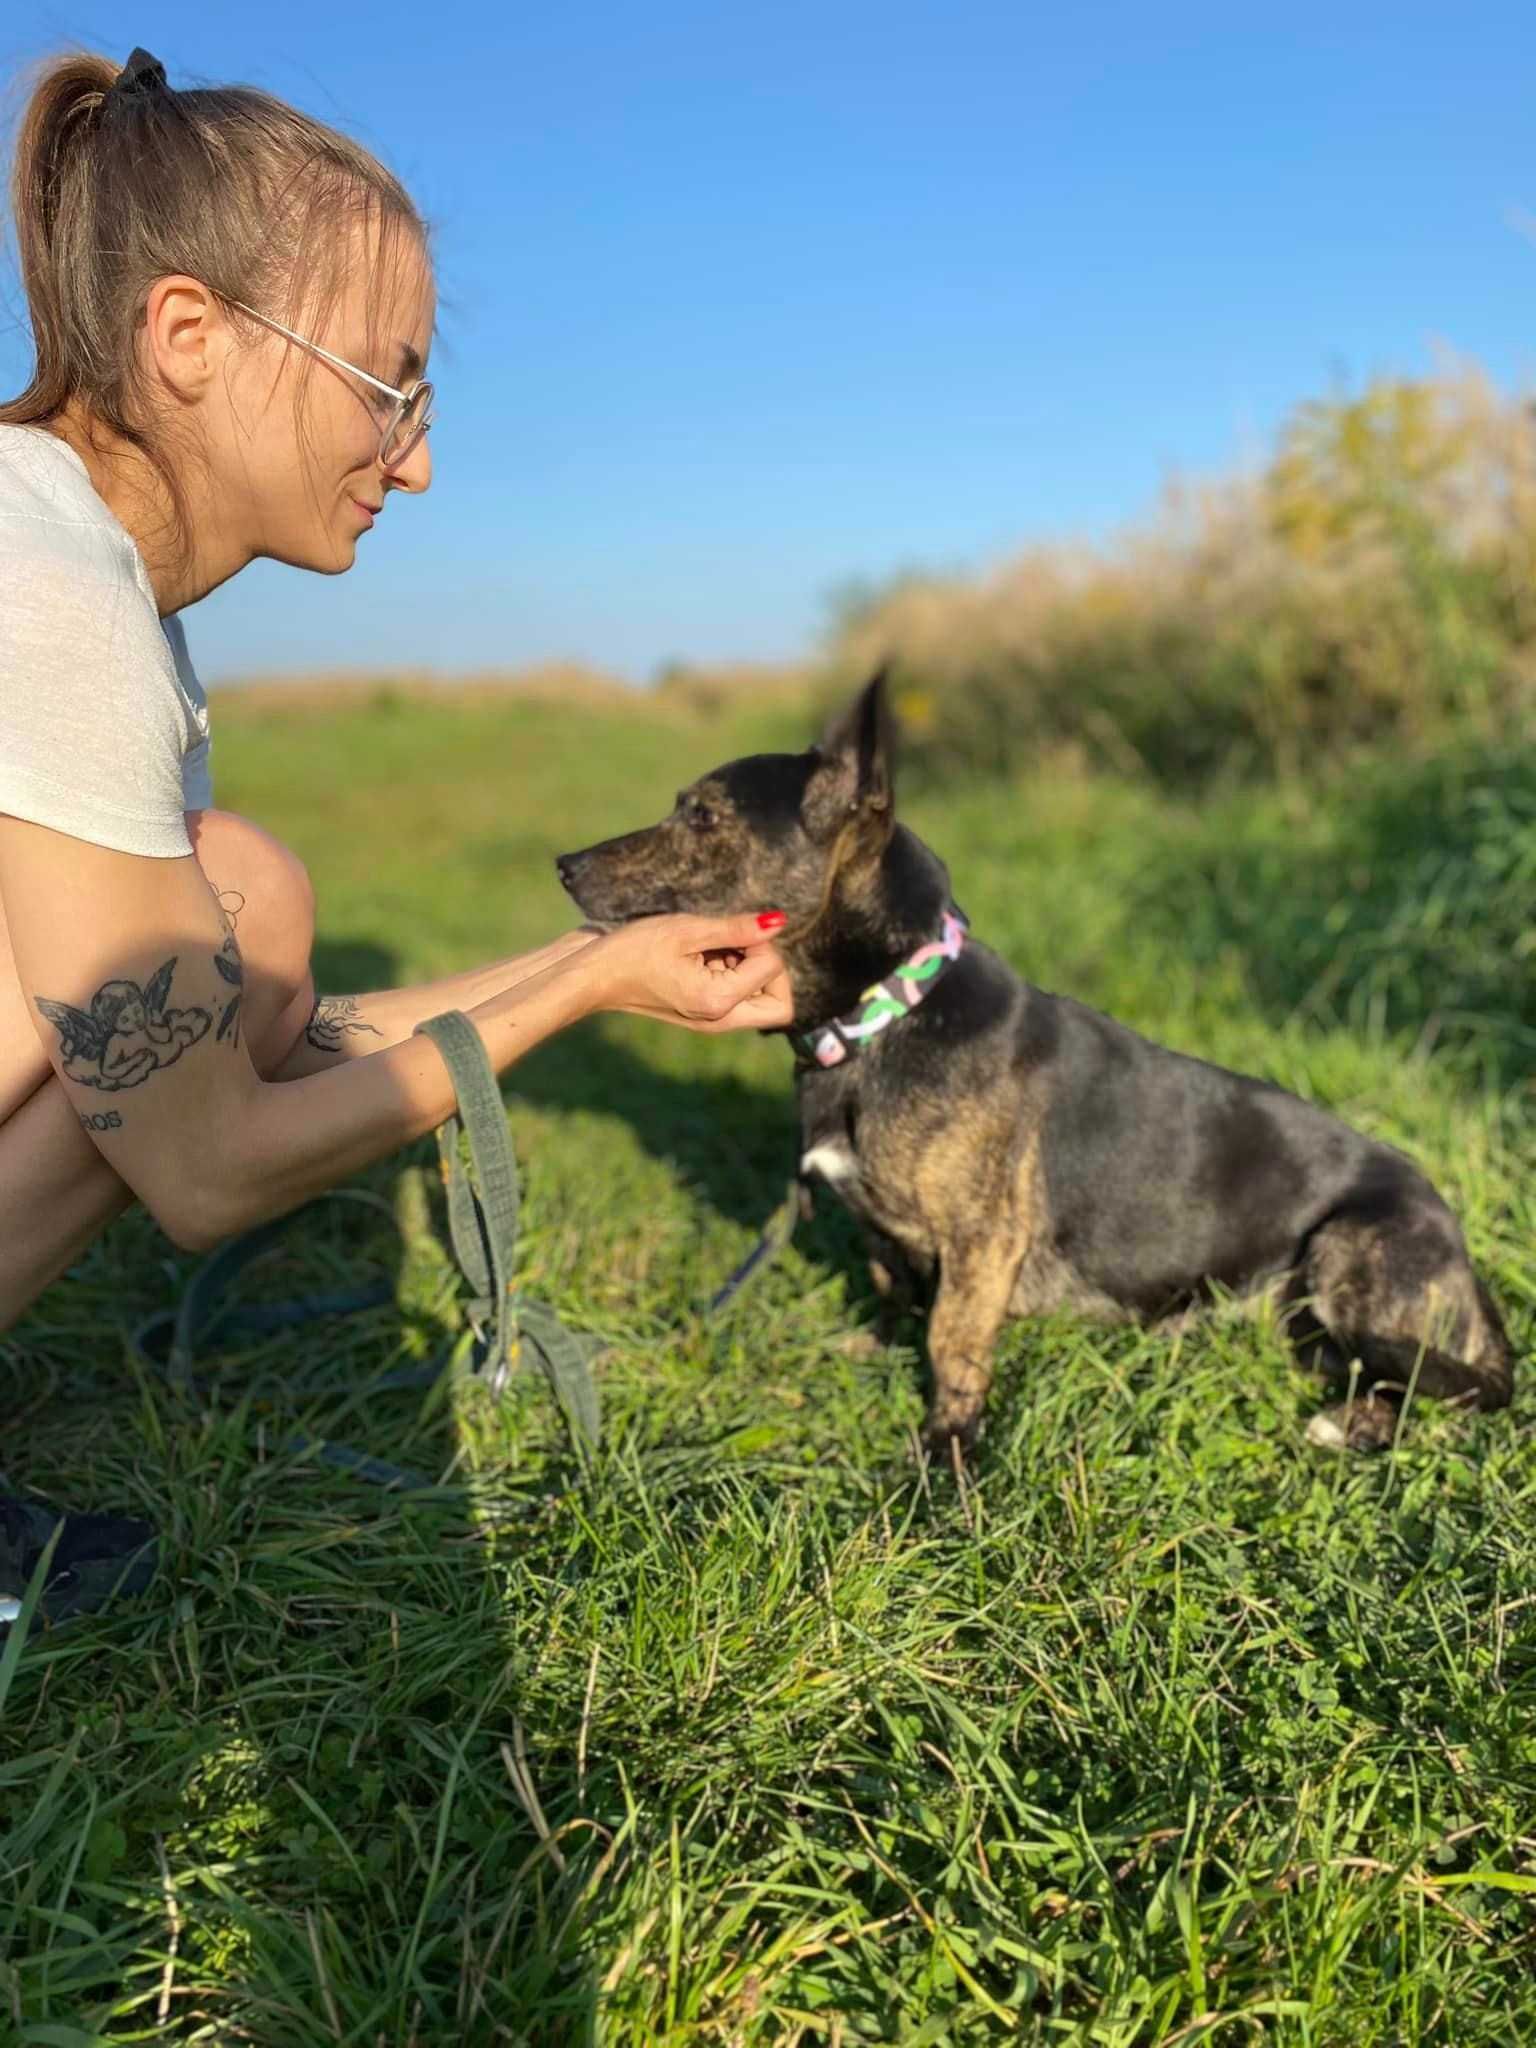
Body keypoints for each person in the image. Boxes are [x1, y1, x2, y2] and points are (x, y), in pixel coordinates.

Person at [0, 48, 791, 1622]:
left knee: (246, 919)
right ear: (187, 337)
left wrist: (596, 963)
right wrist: (576, 995)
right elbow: (209, 1162)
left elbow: (231, 1054)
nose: (415, 457)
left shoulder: (71, 562)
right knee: (241, 894)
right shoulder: (51, 588)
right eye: (387, 383)